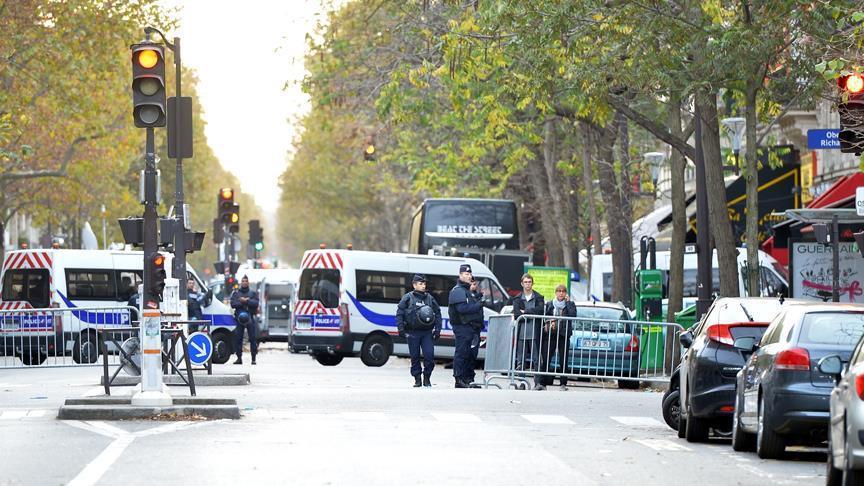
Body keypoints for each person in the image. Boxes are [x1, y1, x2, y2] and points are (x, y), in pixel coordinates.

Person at [396, 274, 442, 387]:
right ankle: (417, 379)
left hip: (427, 333)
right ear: (414, 285)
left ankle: (427, 377)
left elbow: (438, 313)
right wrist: (401, 329)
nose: (423, 286)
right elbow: (399, 313)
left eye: (424, 284)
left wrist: (437, 329)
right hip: (412, 332)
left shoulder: (429, 298)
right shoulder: (407, 298)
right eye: (420, 284)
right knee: (415, 357)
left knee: (429, 355)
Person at [448, 264, 485, 388]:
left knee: (470, 355)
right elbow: (462, 309)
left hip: (471, 328)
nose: (469, 276)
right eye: (466, 274)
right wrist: (478, 305)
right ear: (460, 275)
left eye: (470, 274)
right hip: (462, 327)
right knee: (462, 353)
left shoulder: (466, 291)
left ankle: (467, 379)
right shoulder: (458, 290)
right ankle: (459, 379)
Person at [535, 284, 576, 390]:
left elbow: (573, 315)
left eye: (563, 291)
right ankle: (542, 383)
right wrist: (551, 321)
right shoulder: (550, 303)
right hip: (551, 334)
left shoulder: (570, 304)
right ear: (556, 292)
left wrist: (568, 303)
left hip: (563, 334)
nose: (561, 293)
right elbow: (545, 317)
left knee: (563, 359)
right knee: (546, 358)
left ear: (566, 293)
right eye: (559, 291)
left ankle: (563, 383)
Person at [512, 273, 544, 371]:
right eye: (525, 282)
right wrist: (530, 315)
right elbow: (517, 314)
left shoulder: (539, 297)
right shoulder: (517, 298)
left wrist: (525, 312)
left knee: (536, 360)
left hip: (535, 333)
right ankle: (521, 380)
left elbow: (540, 310)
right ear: (522, 284)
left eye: (529, 282)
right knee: (520, 361)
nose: (528, 284)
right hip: (521, 334)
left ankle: (537, 379)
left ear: (532, 283)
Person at [230, 275, 260, 365]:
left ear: (248, 282)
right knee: (238, 338)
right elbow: (233, 304)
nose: (244, 283)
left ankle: (253, 358)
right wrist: (242, 302)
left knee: (252, 339)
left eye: (246, 281)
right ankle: (239, 358)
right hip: (239, 318)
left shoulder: (252, 293)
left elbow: (256, 303)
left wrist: (247, 301)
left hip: (250, 317)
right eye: (243, 281)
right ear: (241, 282)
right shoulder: (236, 293)